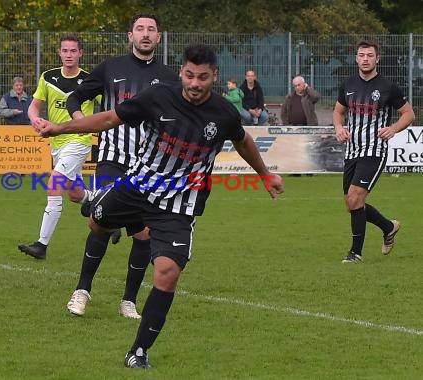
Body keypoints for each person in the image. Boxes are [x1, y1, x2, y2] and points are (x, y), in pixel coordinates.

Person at [36, 44, 284, 369]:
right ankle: (93, 203)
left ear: (215, 77)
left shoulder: (223, 113)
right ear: (182, 72)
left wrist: (264, 175)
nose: (195, 84)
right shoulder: (158, 97)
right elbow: (110, 117)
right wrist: (60, 127)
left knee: (167, 272)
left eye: (203, 78)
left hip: (179, 204)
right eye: (190, 75)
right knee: (97, 223)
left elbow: (242, 140)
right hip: (137, 188)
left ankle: (137, 352)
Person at [63, 13, 179, 319]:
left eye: (151, 29)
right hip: (113, 160)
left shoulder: (170, 78)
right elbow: (76, 97)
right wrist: (80, 121)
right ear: (130, 36)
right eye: (139, 29)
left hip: (149, 167)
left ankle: (128, 301)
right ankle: (82, 291)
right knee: (101, 224)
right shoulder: (110, 68)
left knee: (143, 235)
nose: (145, 34)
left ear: (158, 37)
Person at [17, 35, 100, 260]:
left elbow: (108, 106)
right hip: (57, 143)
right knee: (75, 194)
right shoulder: (48, 77)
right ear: (59, 53)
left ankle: (41, 245)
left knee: (54, 182)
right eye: (65, 51)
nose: (69, 55)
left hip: (79, 141)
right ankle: (106, 212)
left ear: (80, 53)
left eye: (74, 51)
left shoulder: (90, 80)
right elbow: (34, 107)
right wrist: (35, 119)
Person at [333, 40, 415, 263]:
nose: (366, 59)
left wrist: (393, 128)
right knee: (351, 204)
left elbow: (409, 114)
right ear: (356, 58)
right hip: (352, 150)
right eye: (362, 55)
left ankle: (355, 253)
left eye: (370, 55)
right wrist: (339, 128)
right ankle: (389, 227)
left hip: (374, 150)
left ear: (377, 59)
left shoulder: (388, 87)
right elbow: (338, 112)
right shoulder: (348, 84)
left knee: (355, 197)